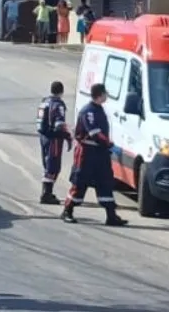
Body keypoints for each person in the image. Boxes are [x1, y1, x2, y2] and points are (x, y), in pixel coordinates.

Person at [60, 84, 128, 226]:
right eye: (105, 93)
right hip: (87, 153)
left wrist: (107, 147)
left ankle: (111, 215)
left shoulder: (99, 110)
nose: (107, 96)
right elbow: (94, 133)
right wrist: (109, 144)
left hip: (100, 154)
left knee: (105, 182)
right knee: (80, 182)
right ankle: (67, 210)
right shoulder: (89, 111)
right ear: (100, 94)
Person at [37, 81, 72, 204]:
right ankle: (46, 194)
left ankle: (46, 193)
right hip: (54, 139)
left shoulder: (44, 101)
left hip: (44, 137)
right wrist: (67, 136)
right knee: (53, 166)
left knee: (48, 164)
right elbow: (59, 124)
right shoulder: (58, 105)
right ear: (61, 92)